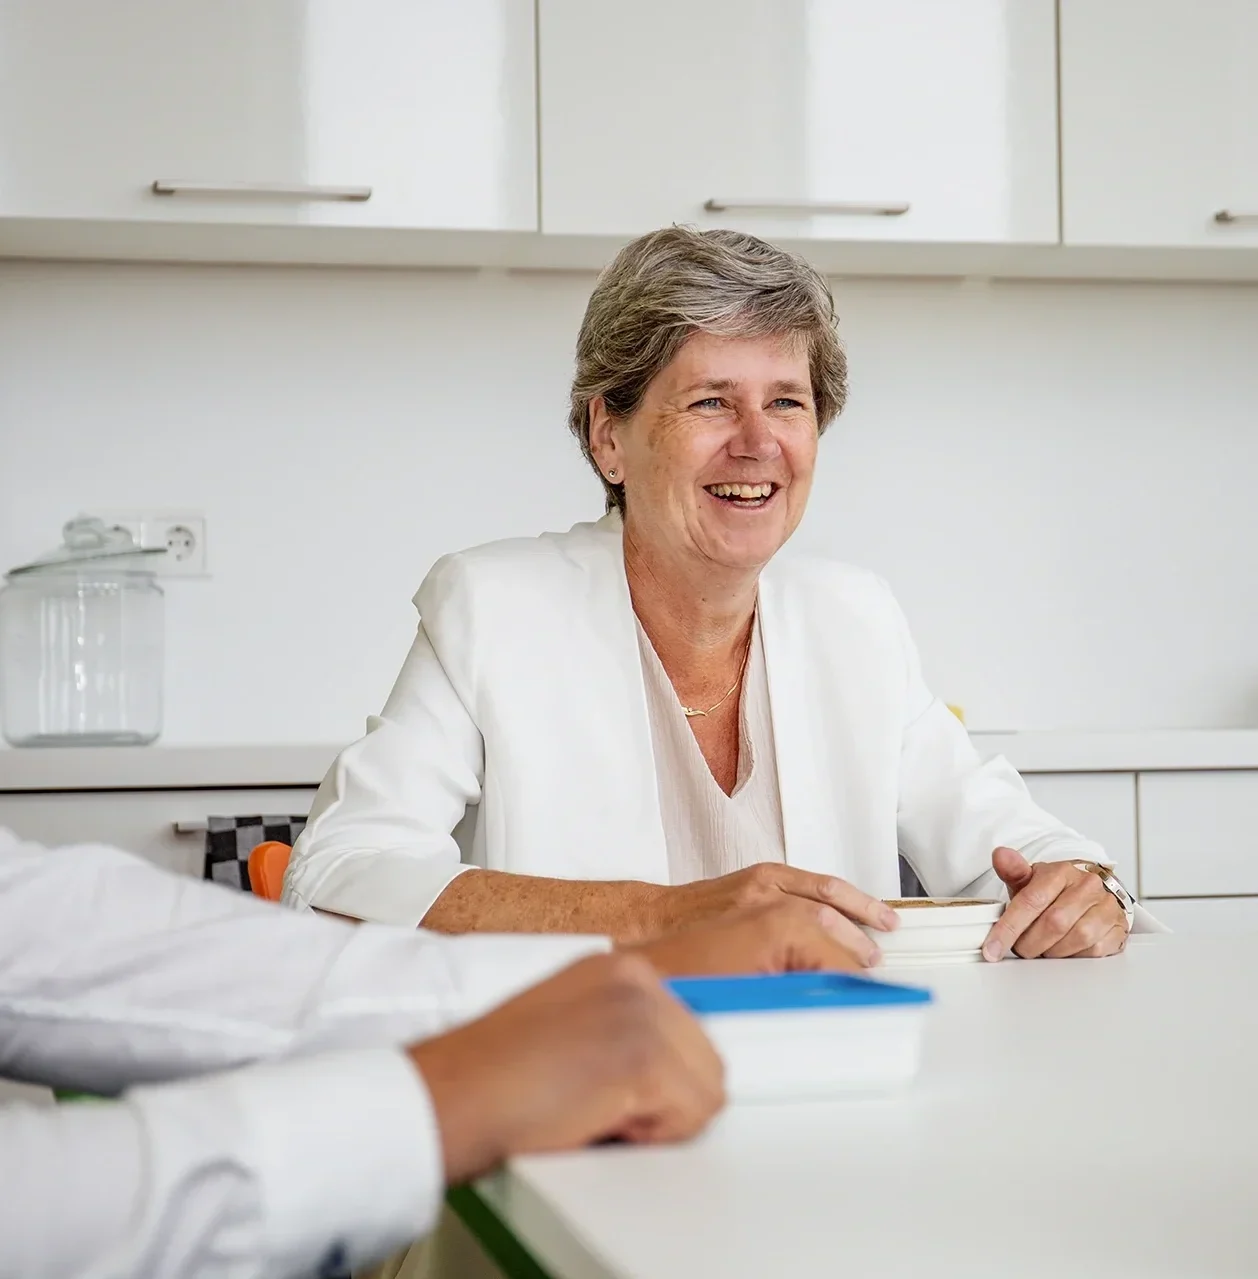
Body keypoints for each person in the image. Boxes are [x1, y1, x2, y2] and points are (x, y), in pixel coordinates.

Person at [284, 225, 1156, 962]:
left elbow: (1014, 842)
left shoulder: (854, 619)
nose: (757, 442)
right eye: (710, 402)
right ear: (609, 438)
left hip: (832, 1074)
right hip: (592, 1080)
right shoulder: (493, 608)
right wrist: (663, 916)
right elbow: (338, 871)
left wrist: (1085, 884)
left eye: (787, 401)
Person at [0, 826, 857, 1279]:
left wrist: (605, 978)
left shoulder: (855, 616)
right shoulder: (487, 600)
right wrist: (434, 1100)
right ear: (613, 474)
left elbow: (59, 934)